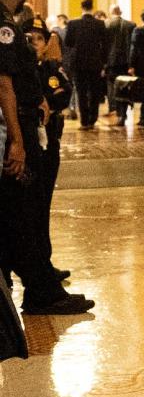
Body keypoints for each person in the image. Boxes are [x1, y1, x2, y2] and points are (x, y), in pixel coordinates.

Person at [0, 0, 93, 315]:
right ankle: (42, 292)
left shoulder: (8, 21)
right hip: (16, 128)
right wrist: (19, 141)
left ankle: (35, 286)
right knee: (25, 212)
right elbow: (4, 85)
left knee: (19, 212)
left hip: (22, 122)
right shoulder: (4, 25)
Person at [28, 20, 71, 268]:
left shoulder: (51, 68)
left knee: (44, 204)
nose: (34, 43)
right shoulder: (22, 69)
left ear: (46, 44)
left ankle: (45, 262)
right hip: (29, 143)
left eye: (39, 38)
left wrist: (48, 106)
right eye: (29, 37)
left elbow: (65, 92)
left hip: (50, 141)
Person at [64, 0, 107, 129]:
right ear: (92, 6)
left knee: (81, 92)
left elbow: (68, 42)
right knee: (94, 92)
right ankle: (92, 120)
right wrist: (103, 63)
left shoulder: (73, 24)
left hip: (78, 63)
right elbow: (105, 44)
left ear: (81, 7)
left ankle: (84, 121)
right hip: (95, 63)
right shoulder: (99, 24)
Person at [105, 5, 136, 125]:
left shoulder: (106, 24)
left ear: (110, 12)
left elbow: (104, 45)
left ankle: (117, 112)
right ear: (121, 11)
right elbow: (133, 46)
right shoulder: (131, 25)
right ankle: (123, 113)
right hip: (126, 62)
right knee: (124, 87)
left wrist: (103, 63)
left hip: (111, 62)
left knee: (113, 88)